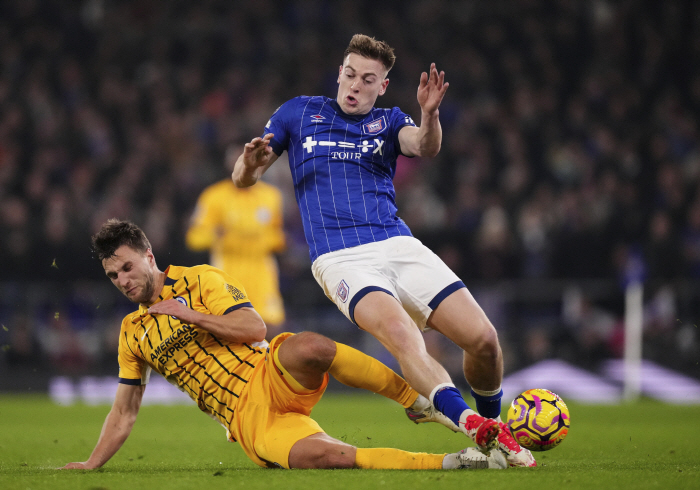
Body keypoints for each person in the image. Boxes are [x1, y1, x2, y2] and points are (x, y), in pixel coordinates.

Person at [232, 34, 535, 467]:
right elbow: (244, 177)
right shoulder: (298, 113)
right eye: (350, 75)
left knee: (485, 341)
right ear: (339, 73)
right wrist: (250, 162)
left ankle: (491, 437)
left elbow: (425, 146)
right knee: (403, 337)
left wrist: (430, 114)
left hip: (396, 244)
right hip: (341, 259)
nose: (355, 85)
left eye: (367, 79)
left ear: (383, 86)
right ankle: (474, 426)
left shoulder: (390, 121)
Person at [61, 219, 506, 471]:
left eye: (125, 267)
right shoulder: (131, 333)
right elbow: (124, 411)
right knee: (329, 458)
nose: (122, 281)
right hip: (245, 418)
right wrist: (90, 464)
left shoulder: (199, 280)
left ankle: (418, 400)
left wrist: (189, 314)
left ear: (148, 256)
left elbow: (254, 328)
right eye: (113, 276)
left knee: (308, 346)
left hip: (268, 374)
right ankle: (456, 464)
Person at [186, 144, 286, 338]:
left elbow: (277, 237)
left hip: (262, 272)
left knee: (272, 329)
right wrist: (216, 234)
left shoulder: (271, 197)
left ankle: (270, 368)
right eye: (239, 163)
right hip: (228, 273)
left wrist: (271, 241)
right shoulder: (214, 197)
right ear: (230, 167)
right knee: (230, 331)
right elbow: (194, 238)